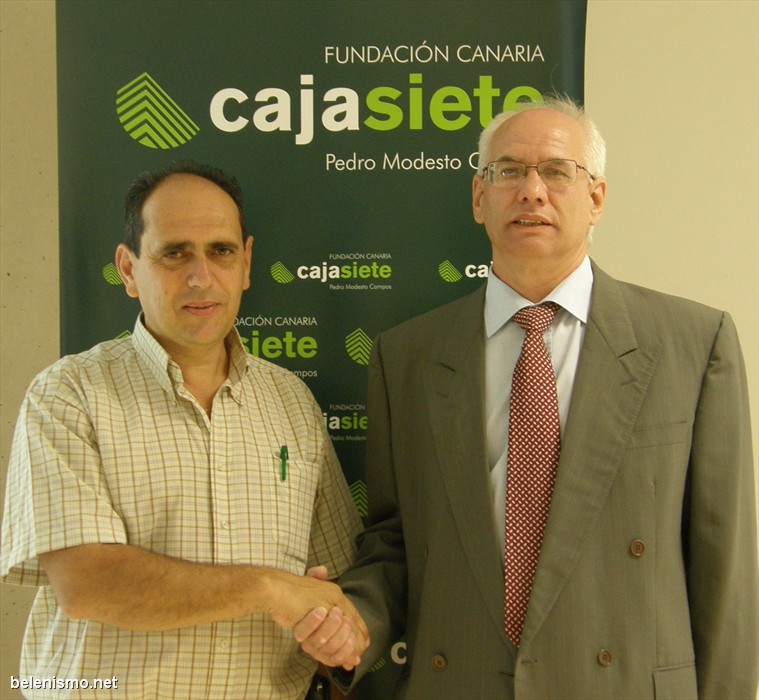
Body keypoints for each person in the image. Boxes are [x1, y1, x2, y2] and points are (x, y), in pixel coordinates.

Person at [295, 96, 758, 699]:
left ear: (595, 199)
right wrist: (355, 621)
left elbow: (725, 570)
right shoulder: (406, 357)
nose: (532, 191)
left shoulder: (693, 345)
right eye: (509, 171)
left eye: (557, 172)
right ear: (478, 197)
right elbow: (398, 542)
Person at [0, 161, 368, 699]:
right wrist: (266, 587)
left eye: (220, 251)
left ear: (246, 264)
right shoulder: (69, 394)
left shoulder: (292, 403)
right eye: (174, 253)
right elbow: (88, 585)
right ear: (128, 269)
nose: (200, 276)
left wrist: (338, 636)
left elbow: (338, 584)